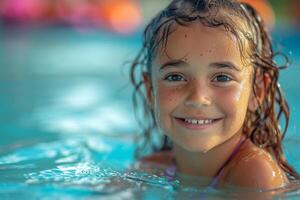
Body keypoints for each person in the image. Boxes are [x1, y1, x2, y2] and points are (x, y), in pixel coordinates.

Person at [129, 0, 299, 190]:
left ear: (256, 92)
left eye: (222, 77)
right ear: (151, 90)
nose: (198, 98)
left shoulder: (255, 175)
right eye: (175, 76)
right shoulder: (151, 168)